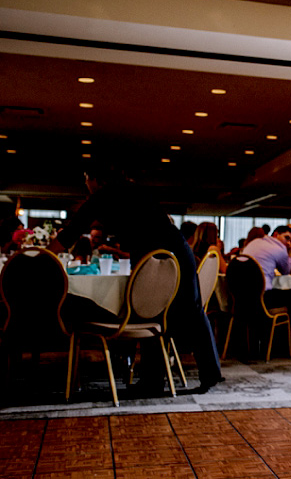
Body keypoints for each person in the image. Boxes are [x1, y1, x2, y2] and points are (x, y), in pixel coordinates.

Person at [48, 163, 223, 393]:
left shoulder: (100, 197)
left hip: (152, 253)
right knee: (186, 309)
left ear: (96, 179)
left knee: (150, 310)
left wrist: (42, 257)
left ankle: (154, 380)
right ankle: (205, 374)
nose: (85, 184)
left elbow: (69, 235)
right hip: (177, 248)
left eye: (86, 179)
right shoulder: (135, 189)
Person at [241, 225, 291, 292]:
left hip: (240, 288)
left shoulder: (255, 242)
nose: (288, 243)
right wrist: (289, 253)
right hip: (261, 291)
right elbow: (287, 272)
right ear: (276, 234)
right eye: (286, 238)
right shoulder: (281, 248)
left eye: (290, 241)